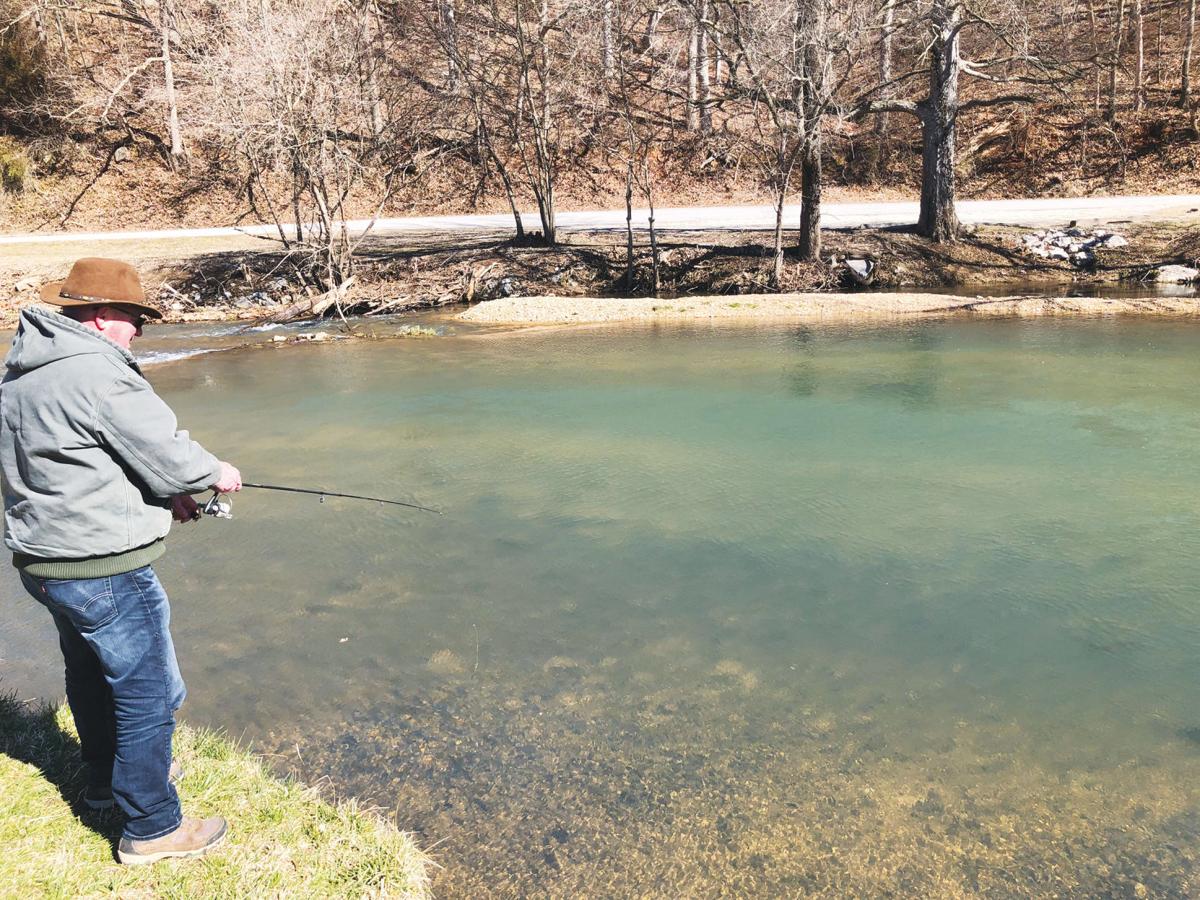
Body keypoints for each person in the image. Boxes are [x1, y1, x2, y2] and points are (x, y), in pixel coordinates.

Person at [0, 258, 242, 865]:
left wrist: (165, 496)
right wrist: (215, 473)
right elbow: (171, 454)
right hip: (103, 569)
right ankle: (153, 826)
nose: (139, 331)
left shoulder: (24, 369)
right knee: (147, 693)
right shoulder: (99, 371)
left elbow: (75, 459)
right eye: (136, 319)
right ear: (105, 314)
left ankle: (107, 783)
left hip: (44, 563)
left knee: (88, 675)